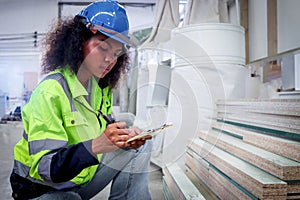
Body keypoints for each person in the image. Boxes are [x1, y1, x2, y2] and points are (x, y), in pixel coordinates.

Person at [10, 1, 153, 199]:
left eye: (116, 53)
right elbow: (46, 169)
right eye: (103, 48)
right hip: (41, 189)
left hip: (78, 180)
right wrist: (96, 145)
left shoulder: (100, 89)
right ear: (79, 41)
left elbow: (103, 128)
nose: (109, 60)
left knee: (140, 145)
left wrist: (122, 138)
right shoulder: (50, 91)